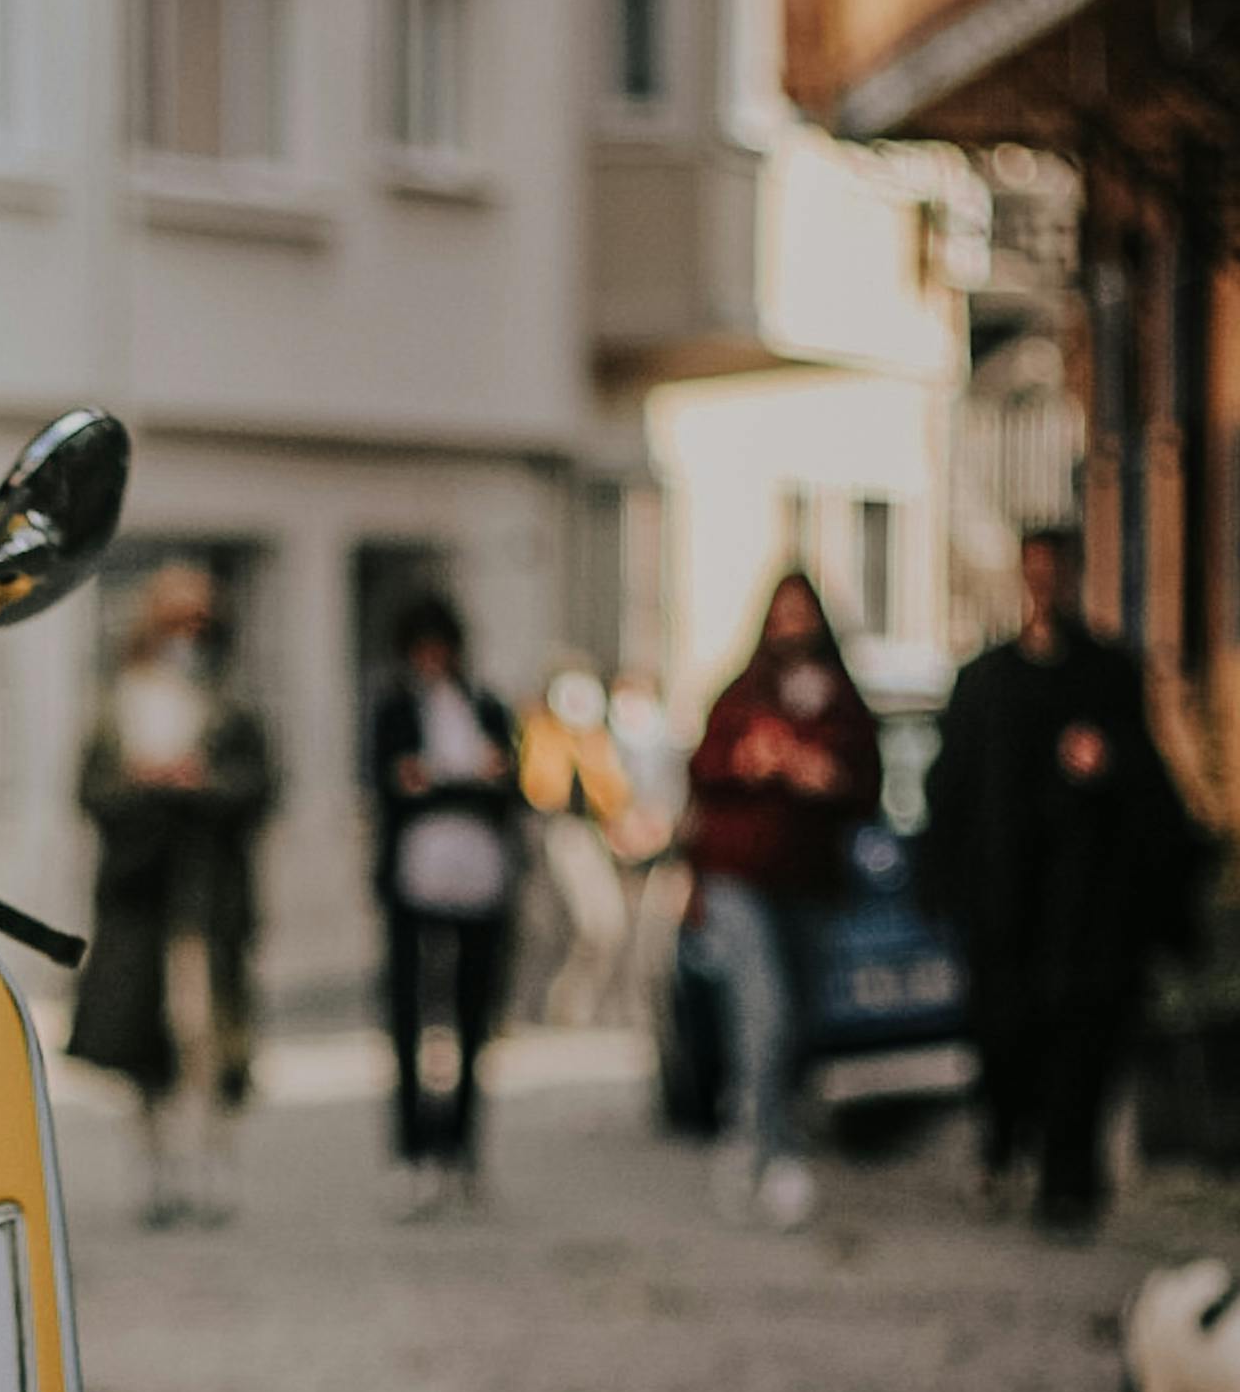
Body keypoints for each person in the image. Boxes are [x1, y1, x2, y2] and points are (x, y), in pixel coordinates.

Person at [915, 524, 1212, 1234]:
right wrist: (946, 884)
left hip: (1084, 912)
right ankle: (1013, 1143)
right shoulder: (986, 682)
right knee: (1010, 1037)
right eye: (1034, 572)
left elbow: (1151, 795)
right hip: (1007, 910)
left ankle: (1068, 1179)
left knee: (1082, 1041)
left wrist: (1107, 767)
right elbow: (952, 792)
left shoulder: (1104, 676)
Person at [68, 566, 277, 1225]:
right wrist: (142, 784)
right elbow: (89, 791)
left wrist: (201, 783)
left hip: (207, 897)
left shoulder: (229, 700)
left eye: (197, 620)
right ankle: (157, 1173)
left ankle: (212, 1165)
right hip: (138, 895)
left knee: (206, 1033)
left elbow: (260, 787)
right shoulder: (118, 699)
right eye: (174, 619)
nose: (187, 633)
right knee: (139, 1040)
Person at [683, 571, 881, 1232]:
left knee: (799, 1019)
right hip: (740, 879)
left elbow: (866, 787)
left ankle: (766, 1128)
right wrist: (749, 760)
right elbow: (702, 771)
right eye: (782, 613)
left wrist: (825, 776)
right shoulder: (741, 696)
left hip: (810, 881)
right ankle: (765, 1150)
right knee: (761, 1010)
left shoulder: (842, 705)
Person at [367, 593, 523, 1210]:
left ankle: (462, 1147)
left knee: (471, 1014)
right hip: (416, 880)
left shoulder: (485, 705)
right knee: (411, 1014)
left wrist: (443, 782)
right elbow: (390, 784)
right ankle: (414, 1147)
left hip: (481, 879)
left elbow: (507, 786)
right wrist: (455, 782)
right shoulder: (397, 709)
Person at [519, 663, 640, 1029]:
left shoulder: (596, 739)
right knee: (552, 928)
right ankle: (544, 1006)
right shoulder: (542, 734)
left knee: (606, 924)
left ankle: (572, 1003)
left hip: (591, 834)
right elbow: (541, 788)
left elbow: (615, 794)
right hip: (556, 834)